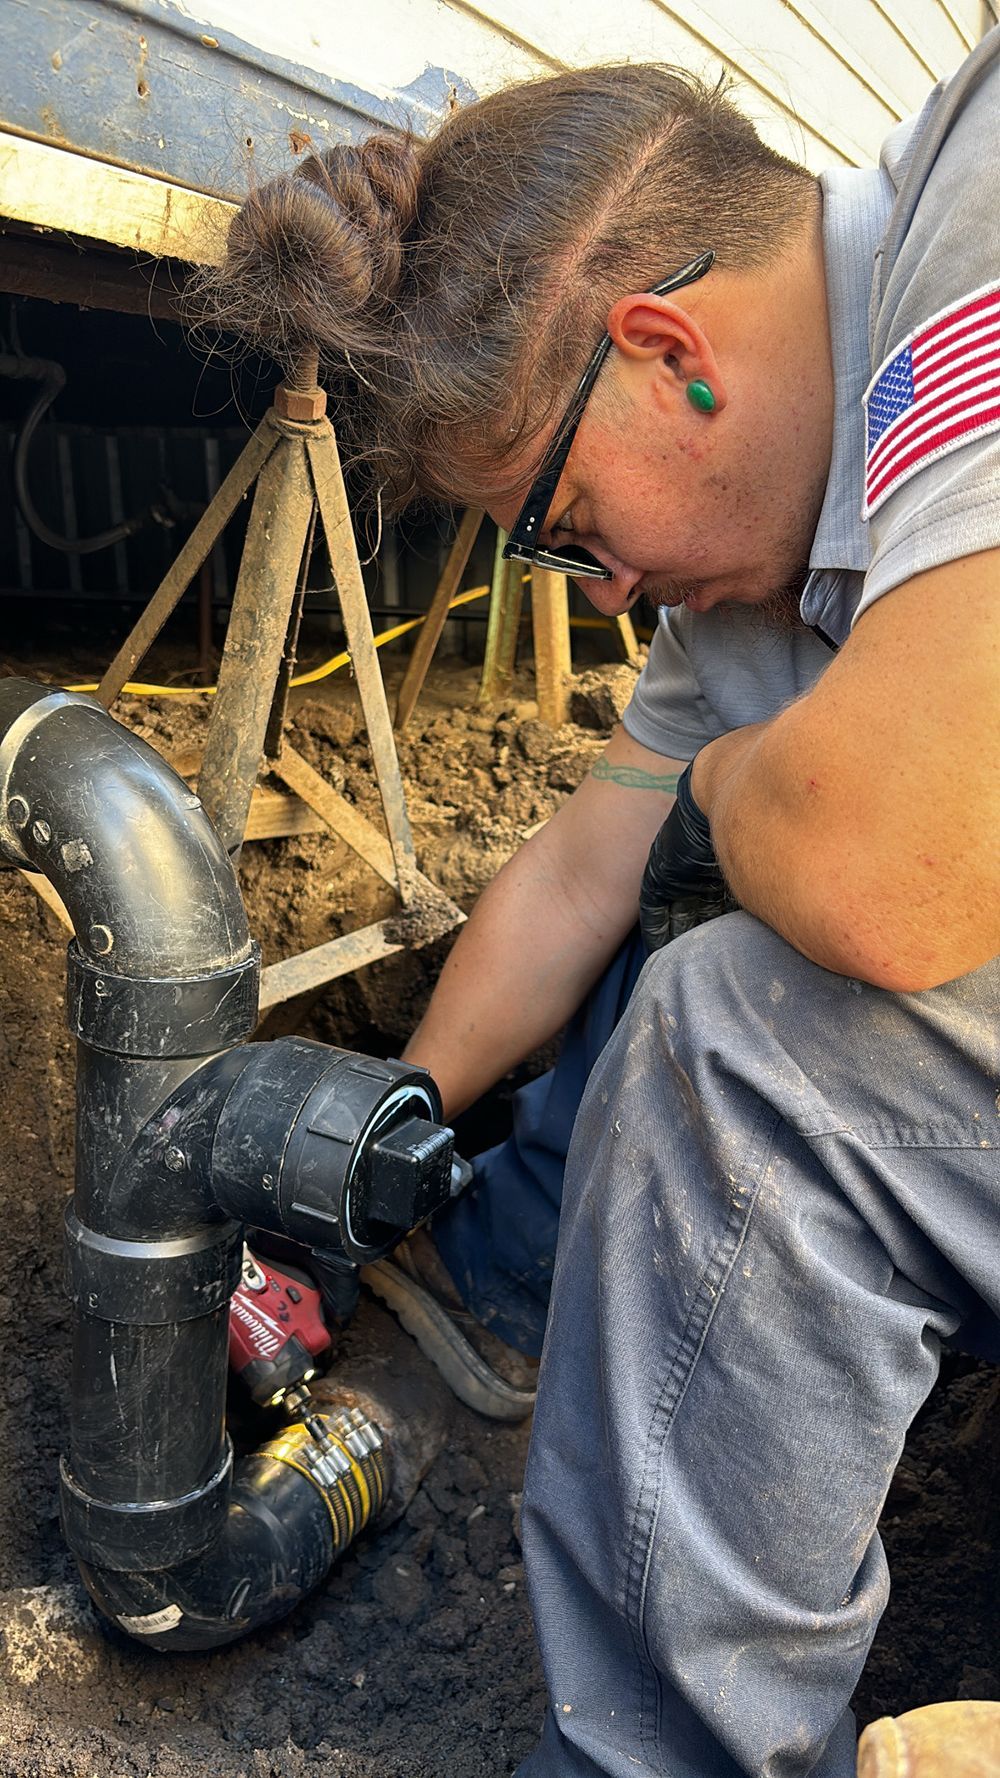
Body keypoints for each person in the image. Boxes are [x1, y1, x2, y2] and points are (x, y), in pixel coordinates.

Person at [196, 33, 1000, 1777]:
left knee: (742, 1032)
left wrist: (722, 795)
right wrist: (383, 1130)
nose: (606, 586)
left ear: (665, 352)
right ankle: (488, 1296)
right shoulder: (749, 594)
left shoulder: (987, 208)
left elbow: (898, 865)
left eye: (561, 528)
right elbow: (573, 876)